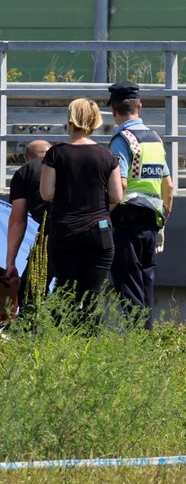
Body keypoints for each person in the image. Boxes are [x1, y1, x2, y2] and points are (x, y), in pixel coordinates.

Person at [40, 98, 122, 313]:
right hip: (99, 232)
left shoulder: (56, 154)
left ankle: (63, 339)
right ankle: (89, 342)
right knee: (92, 296)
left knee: (65, 293)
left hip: (66, 231)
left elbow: (46, 193)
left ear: (69, 120)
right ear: (96, 121)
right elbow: (116, 195)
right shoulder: (107, 156)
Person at [107, 80, 175, 327]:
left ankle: (138, 337)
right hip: (152, 221)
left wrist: (105, 214)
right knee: (146, 282)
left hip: (126, 219)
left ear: (114, 110)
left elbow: (121, 185)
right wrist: (162, 223)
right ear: (140, 107)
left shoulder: (122, 140)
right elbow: (169, 186)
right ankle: (146, 338)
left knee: (127, 282)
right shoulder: (155, 139)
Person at [5, 139, 54, 313]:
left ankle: (33, 330)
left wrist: (10, 262)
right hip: (89, 229)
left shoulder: (24, 172)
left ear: (27, 158)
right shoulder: (65, 163)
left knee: (30, 291)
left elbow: (18, 220)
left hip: (51, 232)